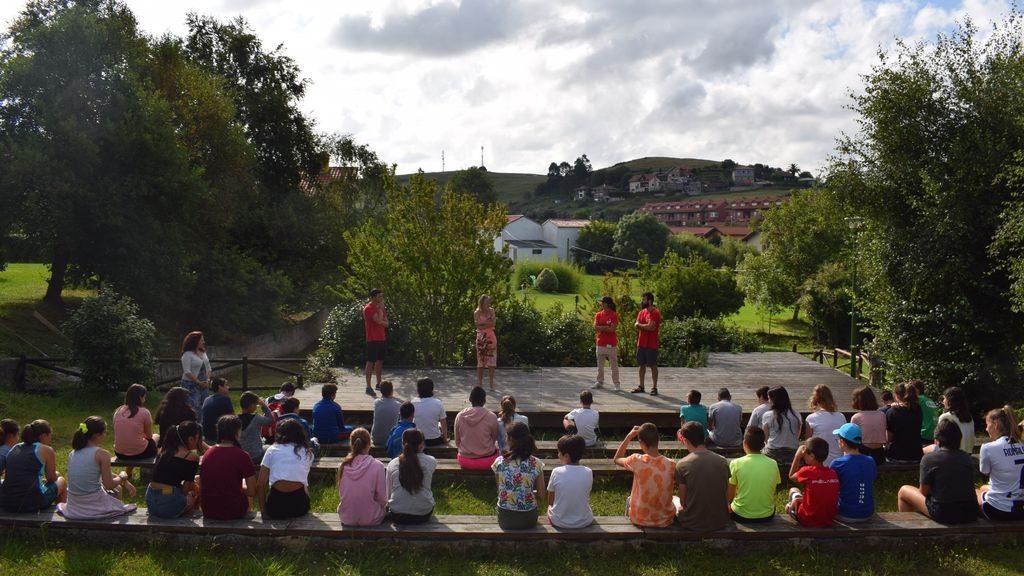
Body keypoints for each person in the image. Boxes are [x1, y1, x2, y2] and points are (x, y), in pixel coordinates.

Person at [897, 419, 978, 524]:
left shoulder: (929, 459)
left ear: (936, 440)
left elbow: (923, 492)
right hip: (970, 512)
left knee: (904, 490)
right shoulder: (966, 458)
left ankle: (907, 529)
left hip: (944, 513)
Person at [57, 416, 137, 520]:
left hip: (74, 505)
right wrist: (122, 476)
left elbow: (96, 473)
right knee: (118, 490)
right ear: (97, 435)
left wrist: (124, 481)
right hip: (93, 505)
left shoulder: (73, 453)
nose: (105, 435)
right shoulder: (102, 454)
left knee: (117, 488)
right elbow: (109, 485)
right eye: (105, 432)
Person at [614, 422, 676, 528]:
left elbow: (616, 458)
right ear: (658, 439)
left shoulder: (636, 460)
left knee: (629, 499)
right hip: (664, 520)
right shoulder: (672, 464)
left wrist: (629, 436)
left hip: (638, 518)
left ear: (641, 443)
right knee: (675, 499)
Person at [0, 420, 67, 512]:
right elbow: (52, 478)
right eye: (50, 435)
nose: (51, 438)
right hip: (30, 503)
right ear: (43, 435)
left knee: (56, 475)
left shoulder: (15, 448)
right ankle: (61, 512)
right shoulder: (47, 450)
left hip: (6, 502)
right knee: (61, 481)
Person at [199, 415, 257, 520]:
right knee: (244, 484)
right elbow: (252, 491)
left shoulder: (208, 453)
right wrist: (242, 487)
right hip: (233, 511)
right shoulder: (242, 455)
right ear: (237, 432)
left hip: (208, 510)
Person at [675, 422, 730, 532]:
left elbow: (682, 502)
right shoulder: (722, 461)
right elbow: (726, 494)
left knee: (674, 500)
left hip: (691, 522)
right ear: (704, 437)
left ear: (685, 440)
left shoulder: (682, 464)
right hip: (720, 521)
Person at [257, 419, 314, 519]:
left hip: (275, 507)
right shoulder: (307, 453)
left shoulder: (272, 450)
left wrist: (263, 512)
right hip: (300, 506)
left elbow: (260, 484)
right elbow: (303, 479)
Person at [493, 421, 545, 529]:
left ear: (510, 439)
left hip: (505, 519)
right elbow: (541, 495)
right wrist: (526, 492)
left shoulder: (499, 462)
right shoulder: (537, 463)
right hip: (529, 519)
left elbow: (501, 491)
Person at [145, 421, 201, 518]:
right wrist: (197, 489)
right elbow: (185, 489)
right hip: (169, 505)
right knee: (193, 493)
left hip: (151, 502)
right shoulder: (192, 457)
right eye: (198, 438)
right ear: (191, 439)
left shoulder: (164, 451)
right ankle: (195, 516)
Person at [978, 406, 1024, 520]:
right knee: (984, 487)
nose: (986, 429)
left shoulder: (988, 448)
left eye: (987, 424)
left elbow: (985, 471)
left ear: (996, 424)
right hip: (1020, 509)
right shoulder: (1022, 444)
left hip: (998, 510)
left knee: (975, 491)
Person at [336, 428, 387, 526]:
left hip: (347, 518)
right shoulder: (377, 465)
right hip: (371, 518)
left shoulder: (343, 465)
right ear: (369, 444)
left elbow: (342, 494)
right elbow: (382, 498)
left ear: (351, 443)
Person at [728, 427, 779, 523]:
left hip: (740, 515)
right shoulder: (773, 463)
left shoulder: (735, 463)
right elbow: (773, 491)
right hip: (767, 515)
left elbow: (730, 496)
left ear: (744, 443)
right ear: (764, 444)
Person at [785, 437, 839, 527]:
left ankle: (790, 507)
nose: (803, 455)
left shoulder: (806, 471)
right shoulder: (833, 473)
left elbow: (791, 476)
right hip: (828, 519)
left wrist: (797, 456)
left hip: (808, 520)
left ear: (812, 456)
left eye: (804, 454)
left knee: (793, 491)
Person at [386, 428, 437, 524]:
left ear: (402, 444)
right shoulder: (431, 461)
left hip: (398, 513)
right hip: (423, 513)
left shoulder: (392, 464)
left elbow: (388, 491)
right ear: (422, 445)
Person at [830, 423, 876, 522]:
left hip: (845, 514)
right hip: (867, 513)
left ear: (842, 442)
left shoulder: (837, 463)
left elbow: (830, 488)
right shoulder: (870, 460)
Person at [547, 434, 594, 529]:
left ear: (566, 456)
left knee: (549, 508)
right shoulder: (588, 472)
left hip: (559, 522)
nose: (558, 455)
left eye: (559, 452)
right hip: (584, 521)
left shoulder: (556, 472)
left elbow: (550, 501)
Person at [454, 386, 500, 469]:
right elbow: (493, 439)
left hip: (465, 460)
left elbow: (457, 441)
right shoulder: (492, 416)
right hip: (487, 460)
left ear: (470, 399)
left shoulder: (460, 416)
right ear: (484, 400)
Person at [113, 384, 158, 463]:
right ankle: (157, 468)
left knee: (136, 443)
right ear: (140, 397)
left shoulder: (118, 411)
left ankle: (128, 473)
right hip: (140, 453)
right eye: (144, 397)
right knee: (156, 437)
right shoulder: (144, 412)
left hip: (119, 453)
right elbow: (149, 436)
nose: (145, 399)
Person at [804, 384, 846, 466]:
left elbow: (808, 442)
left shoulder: (811, 418)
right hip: (839, 461)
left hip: (820, 462)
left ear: (815, 399)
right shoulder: (841, 416)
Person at [925, 386, 974, 454]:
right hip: (967, 456)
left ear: (950, 400)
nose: (943, 401)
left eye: (944, 398)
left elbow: (938, 441)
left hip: (951, 456)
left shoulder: (945, 417)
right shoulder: (969, 418)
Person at [760, 386, 801, 466]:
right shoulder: (796, 414)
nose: (768, 401)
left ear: (773, 400)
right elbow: (797, 436)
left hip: (773, 452)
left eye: (769, 398)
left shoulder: (767, 415)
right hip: (792, 453)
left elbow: (765, 438)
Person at [631, 292, 661, 395]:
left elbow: (650, 327)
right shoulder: (641, 312)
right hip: (641, 343)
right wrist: (644, 326)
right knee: (641, 364)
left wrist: (640, 325)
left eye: (644, 299)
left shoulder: (655, 312)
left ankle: (654, 387)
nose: (642, 301)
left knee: (652, 365)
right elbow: (638, 325)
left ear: (649, 300)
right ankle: (641, 386)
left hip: (651, 343)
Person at [885, 382, 923, 463]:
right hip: (916, 455)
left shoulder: (892, 411)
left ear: (897, 395)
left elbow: (888, 438)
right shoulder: (918, 409)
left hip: (896, 456)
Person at [180, 331, 212, 421]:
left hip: (204, 384)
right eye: (202, 340)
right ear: (195, 341)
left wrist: (207, 380)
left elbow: (209, 368)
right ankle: (193, 427)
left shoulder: (204, 353)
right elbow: (187, 371)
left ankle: (201, 428)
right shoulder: (187, 354)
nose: (203, 342)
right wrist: (198, 382)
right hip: (190, 385)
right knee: (195, 407)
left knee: (204, 406)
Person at [850, 386, 887, 465]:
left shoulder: (856, 417)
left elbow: (852, 440)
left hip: (863, 454)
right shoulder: (882, 415)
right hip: (880, 454)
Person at [591, 296, 620, 390]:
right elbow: (595, 327)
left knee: (613, 365)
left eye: (603, 302)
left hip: (611, 344)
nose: (601, 304)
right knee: (600, 366)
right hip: (600, 342)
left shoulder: (614, 315)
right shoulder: (598, 314)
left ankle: (616, 384)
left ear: (607, 304)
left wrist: (601, 327)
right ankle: (599, 381)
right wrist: (605, 327)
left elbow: (612, 329)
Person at [364, 288, 389, 397]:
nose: (381, 298)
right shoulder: (368, 308)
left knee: (380, 361)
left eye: (382, 296)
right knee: (371, 362)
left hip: (381, 338)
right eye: (379, 296)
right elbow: (378, 321)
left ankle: (379, 384)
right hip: (372, 339)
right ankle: (368, 387)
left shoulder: (381, 308)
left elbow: (387, 324)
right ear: (374, 297)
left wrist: (381, 313)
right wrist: (381, 311)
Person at [238, 392, 274, 464]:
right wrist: (263, 405)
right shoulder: (256, 419)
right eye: (255, 404)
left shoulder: (235, 420)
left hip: (242, 456)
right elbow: (270, 419)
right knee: (272, 449)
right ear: (251, 405)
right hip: (256, 456)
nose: (256, 406)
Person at [412, 378, 448, 447]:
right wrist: (445, 439)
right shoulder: (438, 403)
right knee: (439, 424)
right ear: (432, 389)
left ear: (418, 390)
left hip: (418, 439)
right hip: (434, 440)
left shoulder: (413, 402)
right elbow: (444, 424)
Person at [474, 294, 498, 391]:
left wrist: (483, 324)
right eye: (487, 302)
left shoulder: (491, 310)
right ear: (482, 302)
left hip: (491, 336)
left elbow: (493, 323)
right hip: (480, 337)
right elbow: (478, 326)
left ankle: (491, 383)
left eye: (489, 302)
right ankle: (479, 383)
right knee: (481, 360)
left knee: (492, 361)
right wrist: (486, 324)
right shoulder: (477, 312)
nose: (489, 304)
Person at [201, 378, 234, 444]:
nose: (228, 387)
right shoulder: (225, 399)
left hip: (206, 436)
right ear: (220, 387)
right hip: (218, 438)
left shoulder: (207, 399)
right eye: (226, 385)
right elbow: (234, 419)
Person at [371, 381, 402, 447]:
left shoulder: (376, 402)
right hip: (390, 439)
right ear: (392, 391)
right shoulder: (397, 405)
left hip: (376, 438)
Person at [910, 379, 940, 446]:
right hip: (934, 435)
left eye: (911, 389)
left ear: (916, 390)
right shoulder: (930, 400)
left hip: (923, 435)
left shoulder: (918, 399)